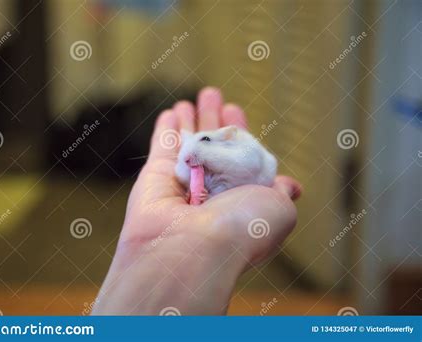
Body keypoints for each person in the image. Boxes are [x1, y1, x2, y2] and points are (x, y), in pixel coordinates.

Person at [92, 87, 302, 315]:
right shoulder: (190, 157)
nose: (188, 158)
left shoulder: (241, 150)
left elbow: (238, 174)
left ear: (227, 140)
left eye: (201, 144)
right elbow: (186, 175)